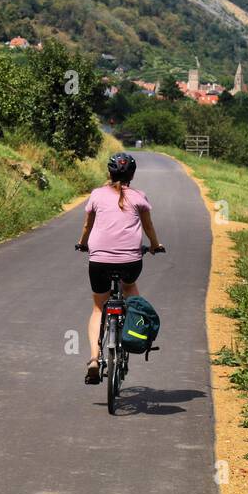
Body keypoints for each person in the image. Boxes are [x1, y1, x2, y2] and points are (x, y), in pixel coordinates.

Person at [75, 152, 163, 384]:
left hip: (99, 262)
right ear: (132, 175)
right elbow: (148, 226)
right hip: (130, 263)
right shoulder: (139, 197)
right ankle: (134, 330)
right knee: (130, 289)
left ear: (109, 172)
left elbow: (87, 225)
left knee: (98, 307)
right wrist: (155, 245)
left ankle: (94, 360)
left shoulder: (96, 195)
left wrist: (83, 244)